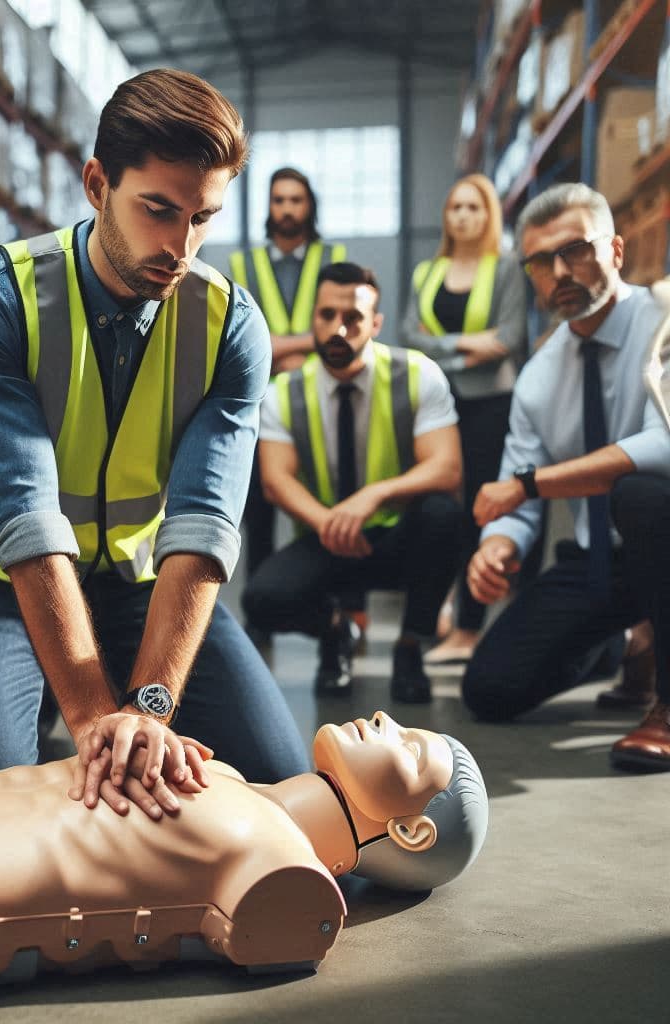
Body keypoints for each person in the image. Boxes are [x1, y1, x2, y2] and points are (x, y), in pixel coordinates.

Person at [0, 69, 310, 805]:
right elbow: (27, 521)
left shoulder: (230, 327)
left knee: (286, 788)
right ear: (97, 184)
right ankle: (35, 689)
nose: (179, 245)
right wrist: (98, 720)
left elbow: (203, 527)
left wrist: (151, 708)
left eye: (202, 217)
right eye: (157, 209)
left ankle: (64, 685)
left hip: (140, 582)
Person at [0, 711, 488, 982]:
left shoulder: (287, 873)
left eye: (410, 748)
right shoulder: (239, 786)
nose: (385, 716)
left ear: (410, 831)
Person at [462, 182, 670, 771]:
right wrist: (496, 548)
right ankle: (628, 641)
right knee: (491, 689)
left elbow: (664, 444)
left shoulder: (665, 319)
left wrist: (531, 484)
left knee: (642, 493)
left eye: (576, 249)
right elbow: (515, 496)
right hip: (599, 558)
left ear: (616, 251)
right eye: (541, 261)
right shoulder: (537, 377)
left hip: (664, 528)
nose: (560, 271)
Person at [242, 263, 462, 703]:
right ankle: (335, 633)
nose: (338, 329)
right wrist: (328, 522)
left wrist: (372, 496)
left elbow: (447, 468)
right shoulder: (284, 392)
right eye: (327, 316)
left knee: (445, 515)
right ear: (313, 320)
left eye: (354, 318)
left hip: (396, 535)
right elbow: (276, 481)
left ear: (376, 324)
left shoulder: (419, 373)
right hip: (326, 535)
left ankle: (410, 649)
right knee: (262, 600)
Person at [399, 174, 527, 666]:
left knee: (480, 508)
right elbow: (412, 335)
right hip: (436, 403)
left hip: (489, 407)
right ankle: (440, 610)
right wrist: (464, 348)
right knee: (436, 510)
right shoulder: (427, 271)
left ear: (489, 214)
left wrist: (442, 347)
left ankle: (470, 628)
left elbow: (509, 340)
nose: (464, 216)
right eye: (456, 207)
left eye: (474, 207)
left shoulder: (507, 267)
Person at [229, 169, 347, 647]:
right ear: (269, 207)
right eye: (279, 200)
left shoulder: (333, 259)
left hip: (322, 402)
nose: (287, 209)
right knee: (256, 509)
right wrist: (304, 344)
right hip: (260, 403)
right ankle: (261, 617)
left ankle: (337, 616)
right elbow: (240, 335)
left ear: (310, 206)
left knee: (328, 507)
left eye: (296, 200)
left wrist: (279, 346)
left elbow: (341, 335)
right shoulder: (243, 264)